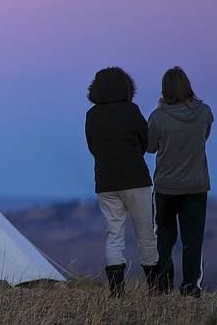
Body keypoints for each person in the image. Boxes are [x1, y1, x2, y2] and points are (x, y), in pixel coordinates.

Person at [85, 67, 159, 296]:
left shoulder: (92, 115)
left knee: (114, 235)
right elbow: (146, 144)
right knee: (146, 234)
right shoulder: (131, 111)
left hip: (106, 182)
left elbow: (92, 148)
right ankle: (155, 289)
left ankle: (117, 292)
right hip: (136, 180)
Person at [148, 66, 213, 296]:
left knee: (164, 236)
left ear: (164, 90)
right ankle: (190, 286)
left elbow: (150, 146)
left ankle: (163, 284)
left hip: (165, 186)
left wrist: (159, 110)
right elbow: (204, 136)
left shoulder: (158, 117)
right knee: (192, 238)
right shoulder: (204, 112)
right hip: (196, 185)